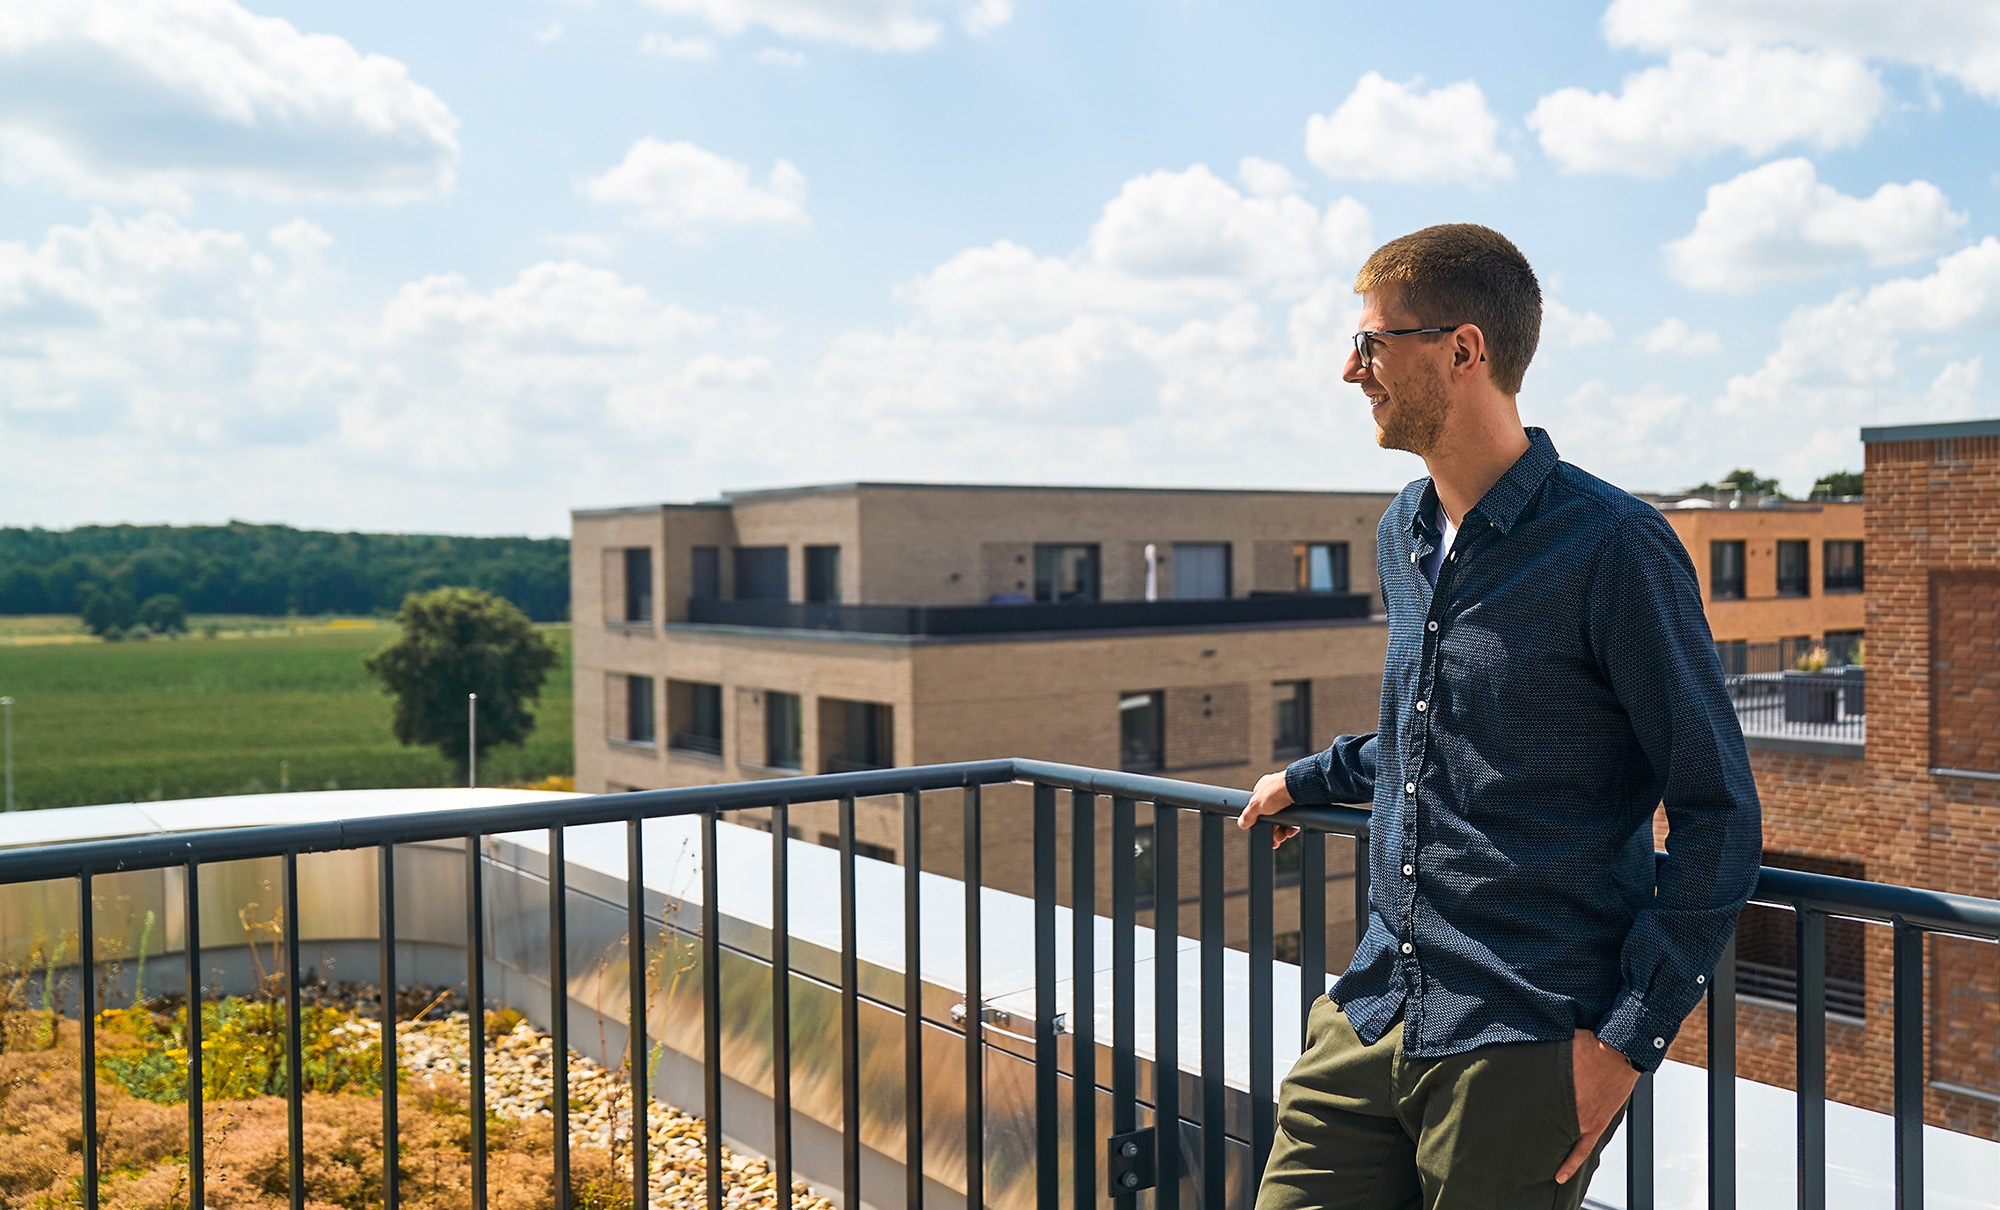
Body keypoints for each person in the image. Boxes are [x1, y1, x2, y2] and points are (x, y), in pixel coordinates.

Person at [1235, 224, 1762, 1210]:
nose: (1350, 368)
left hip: (1518, 1045)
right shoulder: (1403, 530)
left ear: (1462, 350)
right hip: (1371, 1011)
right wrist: (1303, 780)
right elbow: (1426, 732)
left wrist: (1625, 1044)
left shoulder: (1613, 547)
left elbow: (1718, 808)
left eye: (1374, 342)